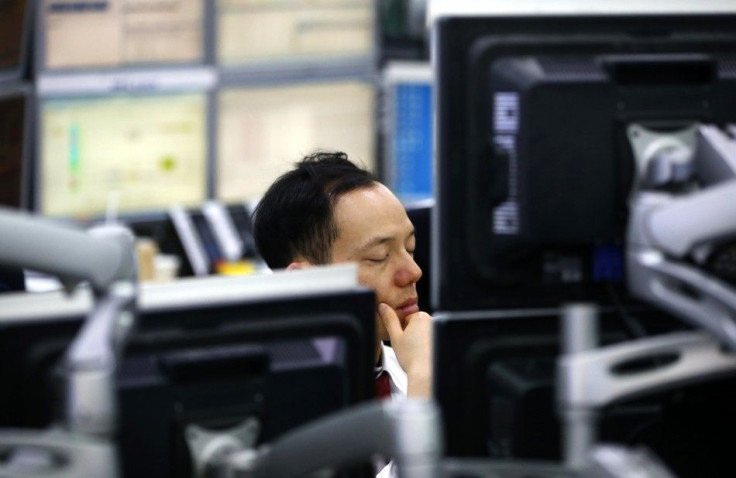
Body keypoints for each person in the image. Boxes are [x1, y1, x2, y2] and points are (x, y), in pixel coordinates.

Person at [253, 151, 433, 402]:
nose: (414, 272)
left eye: (410, 248)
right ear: (306, 283)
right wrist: (423, 380)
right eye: (379, 257)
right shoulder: (276, 402)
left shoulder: (419, 363)